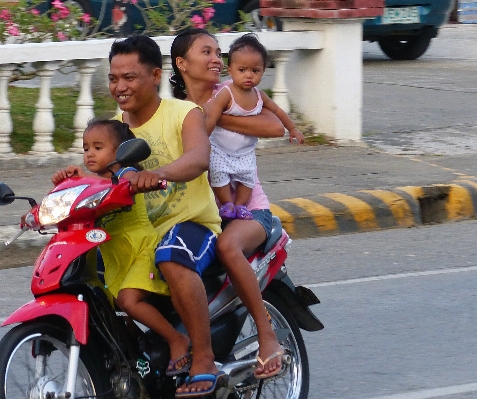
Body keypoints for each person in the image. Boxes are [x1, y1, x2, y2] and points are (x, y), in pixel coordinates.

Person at [170, 28, 303, 385]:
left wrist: (211, 116)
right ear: (182, 64)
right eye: (207, 52)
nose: (217, 59)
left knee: (229, 247)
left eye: (217, 52)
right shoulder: (169, 107)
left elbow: (275, 126)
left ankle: (266, 333)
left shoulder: (228, 94)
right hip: (197, 212)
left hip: (248, 210)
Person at [108, 34, 226, 397]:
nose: (120, 87)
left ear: (155, 75)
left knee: (172, 257)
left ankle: (203, 357)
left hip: (192, 224)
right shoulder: (116, 124)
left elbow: (197, 158)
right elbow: (103, 170)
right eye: (114, 78)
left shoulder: (183, 113)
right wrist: (69, 182)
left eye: (130, 77)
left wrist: (158, 174)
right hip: (144, 230)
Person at [51, 119, 195, 377]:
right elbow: (76, 200)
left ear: (120, 152)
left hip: (140, 250)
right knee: (109, 308)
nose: (90, 153)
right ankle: (138, 354)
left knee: (129, 301)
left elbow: (127, 180)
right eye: (85, 149)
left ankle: (177, 340)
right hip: (115, 259)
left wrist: (139, 181)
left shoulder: (125, 173)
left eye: (98, 147)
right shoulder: (93, 183)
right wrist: (67, 182)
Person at [204, 33, 305, 221]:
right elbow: (212, 117)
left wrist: (293, 128)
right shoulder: (226, 93)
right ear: (231, 70)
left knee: (247, 179)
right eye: (242, 70)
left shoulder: (259, 96)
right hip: (220, 149)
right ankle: (227, 203)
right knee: (218, 174)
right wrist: (202, 139)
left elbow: (279, 112)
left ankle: (241, 205)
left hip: (245, 152)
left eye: (255, 70)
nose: (248, 75)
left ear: (263, 71)